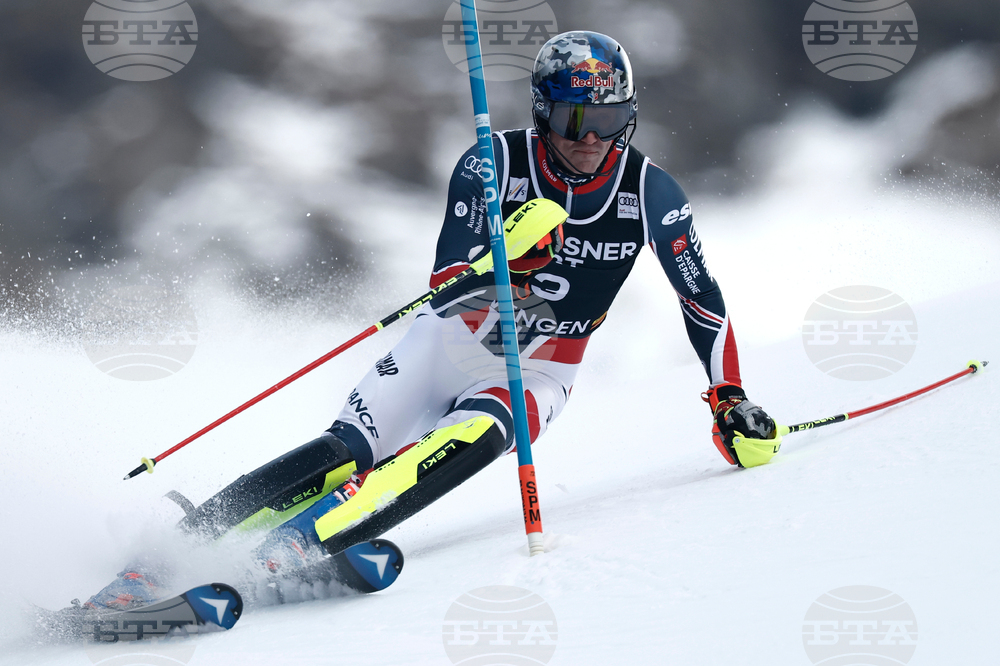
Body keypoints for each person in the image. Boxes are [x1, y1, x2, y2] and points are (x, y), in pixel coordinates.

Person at [84, 31, 776, 609]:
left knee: (477, 433)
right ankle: (165, 558)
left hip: (541, 368)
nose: (592, 139)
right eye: (574, 121)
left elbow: (701, 298)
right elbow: (446, 284)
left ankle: (295, 545)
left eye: (610, 119)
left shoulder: (650, 192)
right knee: (345, 451)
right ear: (544, 114)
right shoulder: (492, 161)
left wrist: (729, 397)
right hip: (451, 341)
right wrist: (505, 261)